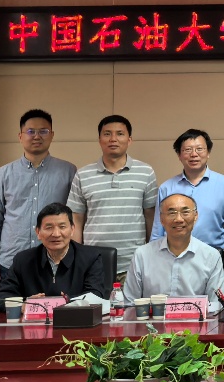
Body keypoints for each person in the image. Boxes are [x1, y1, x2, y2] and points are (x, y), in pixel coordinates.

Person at [0, 108, 76, 284]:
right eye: (30, 131)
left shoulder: (68, 171)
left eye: (43, 131)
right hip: (9, 264)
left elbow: (76, 218)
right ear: (20, 136)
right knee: (9, 303)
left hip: (55, 264)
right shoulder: (3, 174)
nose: (37, 136)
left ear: (52, 135)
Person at [66, 115, 159, 276]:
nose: (113, 139)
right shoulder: (83, 174)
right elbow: (76, 219)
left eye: (120, 134)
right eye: (107, 134)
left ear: (129, 140)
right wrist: (77, 258)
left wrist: (153, 255)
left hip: (134, 263)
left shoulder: (145, 172)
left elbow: (151, 216)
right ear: (99, 139)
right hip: (93, 263)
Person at [124, 193, 224, 312]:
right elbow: (129, 304)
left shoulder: (211, 256)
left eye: (185, 212)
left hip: (196, 323)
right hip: (152, 323)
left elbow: (216, 307)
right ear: (161, 219)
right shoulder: (142, 255)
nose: (179, 219)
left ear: (195, 216)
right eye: (172, 213)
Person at [153, 129, 224, 271]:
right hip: (172, 259)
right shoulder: (166, 188)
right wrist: (155, 264)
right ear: (179, 155)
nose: (194, 154)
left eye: (199, 149)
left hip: (212, 259)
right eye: (187, 150)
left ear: (208, 152)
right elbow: (157, 231)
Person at [0, 203, 109, 307]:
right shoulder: (23, 260)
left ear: (72, 229)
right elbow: (0, 297)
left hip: (75, 320)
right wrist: (24, 305)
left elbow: (96, 295)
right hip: (34, 322)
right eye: (49, 228)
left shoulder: (90, 258)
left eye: (62, 227)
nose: (56, 234)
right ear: (38, 232)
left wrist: (65, 301)